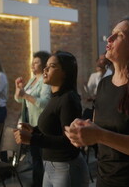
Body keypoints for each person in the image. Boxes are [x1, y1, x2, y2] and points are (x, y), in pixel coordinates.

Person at [65, 17, 129, 187]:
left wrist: (99, 135)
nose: (109, 39)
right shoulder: (104, 84)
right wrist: (83, 128)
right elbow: (100, 127)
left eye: (118, 36)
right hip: (104, 178)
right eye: (111, 34)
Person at [14, 51, 89, 187]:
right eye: (46, 66)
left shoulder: (68, 99)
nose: (45, 69)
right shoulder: (55, 97)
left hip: (65, 167)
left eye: (52, 66)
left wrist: (32, 139)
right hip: (50, 165)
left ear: (64, 73)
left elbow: (69, 141)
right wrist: (34, 130)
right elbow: (53, 128)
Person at [14, 50, 52, 187]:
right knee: (35, 157)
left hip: (40, 124)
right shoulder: (31, 80)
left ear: (43, 65)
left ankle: (40, 183)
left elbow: (44, 103)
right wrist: (18, 89)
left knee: (40, 158)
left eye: (36, 62)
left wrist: (25, 95)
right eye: (32, 62)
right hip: (30, 123)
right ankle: (37, 182)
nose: (33, 65)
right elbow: (19, 100)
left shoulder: (45, 81)